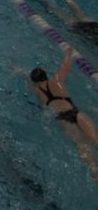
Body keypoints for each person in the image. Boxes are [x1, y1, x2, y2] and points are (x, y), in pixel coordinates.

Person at [30, 47, 98, 178]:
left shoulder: (38, 91)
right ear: (46, 75)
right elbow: (66, 66)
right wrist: (69, 52)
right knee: (95, 140)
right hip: (76, 113)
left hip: (63, 119)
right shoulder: (56, 80)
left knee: (83, 147)